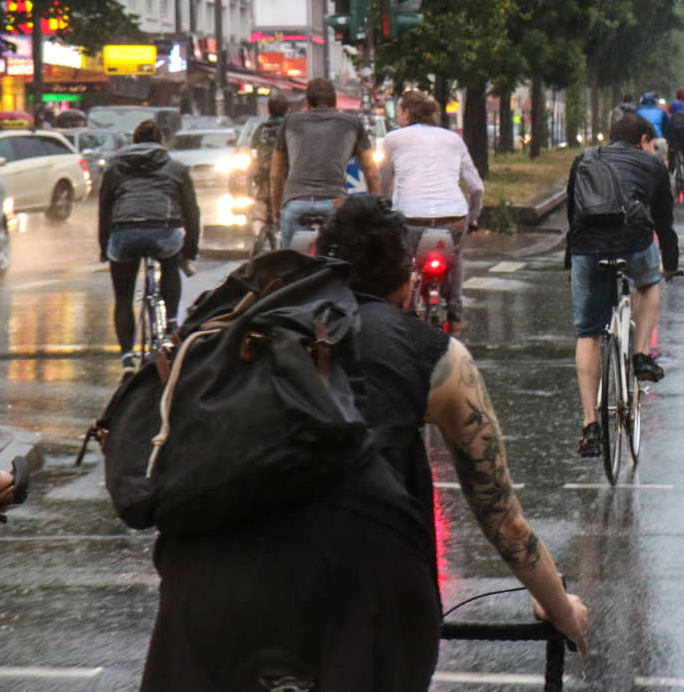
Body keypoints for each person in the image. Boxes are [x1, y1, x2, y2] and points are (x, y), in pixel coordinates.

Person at [139, 196, 589, 689]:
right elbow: (504, 518)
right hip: (358, 587)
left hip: (206, 581)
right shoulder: (434, 354)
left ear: (316, 259)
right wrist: (560, 607)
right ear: (407, 280)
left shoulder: (250, 330)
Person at [564, 112, 679, 456]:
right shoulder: (653, 166)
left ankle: (590, 424)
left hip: (587, 246)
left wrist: (572, 261)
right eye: (652, 144)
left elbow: (573, 213)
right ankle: (641, 353)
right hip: (634, 241)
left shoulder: (583, 160)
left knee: (589, 333)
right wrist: (670, 264)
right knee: (648, 282)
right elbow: (664, 223)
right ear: (643, 140)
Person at [98, 119, 201, 374]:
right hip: (164, 232)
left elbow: (105, 212)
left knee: (123, 297)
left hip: (124, 234)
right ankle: (171, 326)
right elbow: (192, 212)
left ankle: (126, 359)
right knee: (170, 266)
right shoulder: (176, 168)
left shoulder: (114, 170)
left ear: (133, 142)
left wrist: (104, 247)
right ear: (161, 142)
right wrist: (189, 250)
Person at [380, 91, 484, 332]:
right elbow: (477, 187)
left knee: (405, 262)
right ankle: (456, 315)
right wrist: (473, 217)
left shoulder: (393, 139)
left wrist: (381, 208)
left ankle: (401, 311)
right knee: (455, 256)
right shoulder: (454, 140)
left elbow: (383, 182)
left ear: (407, 112)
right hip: (453, 218)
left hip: (409, 219)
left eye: (399, 110)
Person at [272, 77, 380, 247]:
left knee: (290, 261)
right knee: (341, 259)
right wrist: (376, 211)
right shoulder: (352, 123)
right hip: (336, 206)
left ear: (307, 103)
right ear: (335, 101)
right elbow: (372, 173)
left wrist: (277, 210)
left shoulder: (289, 122)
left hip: (296, 204)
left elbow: (276, 174)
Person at [249, 93, 290, 236]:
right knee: (286, 209)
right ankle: (283, 236)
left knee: (260, 210)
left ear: (269, 110)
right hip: (285, 176)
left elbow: (253, 151)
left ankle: (258, 234)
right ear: (287, 110)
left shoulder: (261, 129)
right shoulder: (290, 128)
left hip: (264, 175)